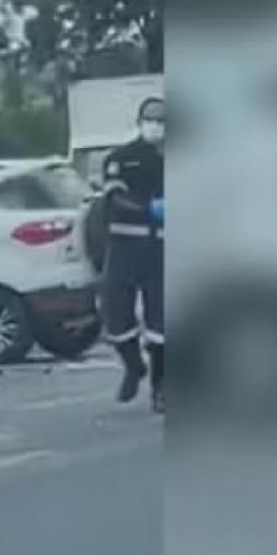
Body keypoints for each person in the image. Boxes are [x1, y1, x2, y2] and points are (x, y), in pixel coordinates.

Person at [101, 96, 165, 413]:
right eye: (150, 119)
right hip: (125, 248)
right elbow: (114, 198)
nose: (156, 125)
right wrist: (148, 210)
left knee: (162, 325)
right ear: (140, 122)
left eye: (162, 120)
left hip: (163, 251)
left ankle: (161, 387)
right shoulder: (121, 158)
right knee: (115, 316)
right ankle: (132, 366)